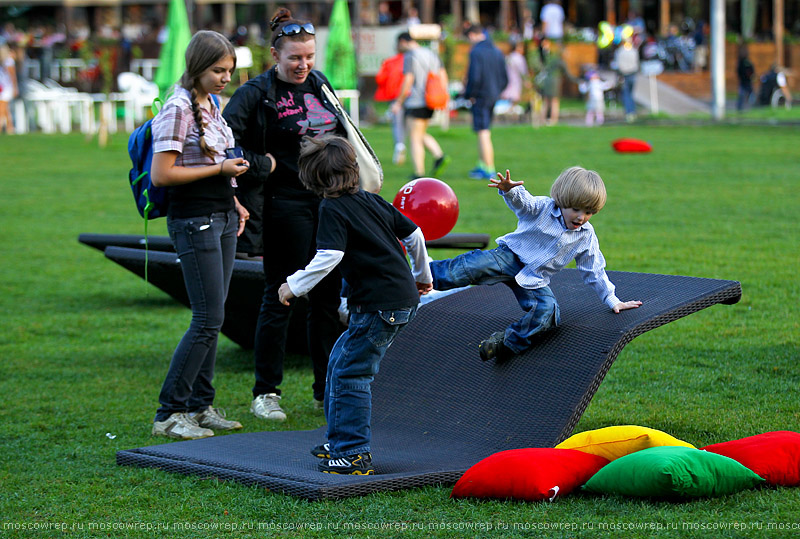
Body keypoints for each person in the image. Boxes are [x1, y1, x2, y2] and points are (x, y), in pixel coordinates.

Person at [279, 135, 433, 475]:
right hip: (397, 299)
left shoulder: (331, 207)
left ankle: (352, 454)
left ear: (311, 179)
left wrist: (295, 284)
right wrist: (421, 275)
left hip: (380, 306)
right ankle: (339, 442)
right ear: (353, 170)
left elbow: (330, 256)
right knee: (339, 364)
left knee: (352, 374)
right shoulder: (371, 201)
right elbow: (416, 234)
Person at [223, 8, 347, 422]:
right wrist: (265, 166)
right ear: (275, 54)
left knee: (329, 299)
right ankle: (266, 392)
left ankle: (325, 389)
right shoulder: (256, 93)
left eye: (309, 57)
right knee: (281, 294)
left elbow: (344, 135)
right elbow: (224, 143)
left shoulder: (321, 84)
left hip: (329, 204)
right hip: (283, 206)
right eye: (295, 57)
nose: (303, 65)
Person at [429, 167, 642, 362]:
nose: (581, 217)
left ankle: (504, 343)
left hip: (533, 279)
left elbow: (594, 269)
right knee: (471, 267)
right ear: (562, 200)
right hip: (508, 257)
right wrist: (509, 191)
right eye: (576, 209)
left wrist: (611, 299)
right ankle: (422, 277)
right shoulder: (543, 208)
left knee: (548, 312)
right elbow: (524, 203)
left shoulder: (586, 236)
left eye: (589, 212)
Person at [149, 30, 250, 439]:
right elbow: (163, 173)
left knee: (216, 315)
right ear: (197, 67)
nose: (225, 77)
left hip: (222, 216)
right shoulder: (178, 108)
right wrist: (220, 171)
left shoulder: (212, 104)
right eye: (217, 70)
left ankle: (200, 405)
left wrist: (234, 200)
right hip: (194, 221)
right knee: (208, 318)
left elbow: (217, 158)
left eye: (229, 70)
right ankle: (169, 413)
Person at [391, 32, 449, 180]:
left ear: (403, 41)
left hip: (416, 101)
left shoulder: (411, 55)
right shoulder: (431, 54)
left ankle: (419, 172)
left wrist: (399, 101)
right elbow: (442, 75)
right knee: (421, 132)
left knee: (415, 137)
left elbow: (409, 79)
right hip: (431, 100)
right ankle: (439, 156)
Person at [463, 24, 508, 180]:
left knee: (483, 132)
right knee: (483, 130)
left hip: (480, 96)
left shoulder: (476, 52)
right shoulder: (497, 51)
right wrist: (497, 91)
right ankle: (482, 164)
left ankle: (489, 168)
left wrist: (469, 94)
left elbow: (474, 76)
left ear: (473, 35)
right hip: (493, 95)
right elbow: (505, 77)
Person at [374, 45, 406, 165]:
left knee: (397, 124)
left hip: (396, 97)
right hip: (411, 97)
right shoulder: (411, 60)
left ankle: (399, 146)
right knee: (412, 127)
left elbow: (380, 78)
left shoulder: (390, 62)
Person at [535, 38, 575, 126]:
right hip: (555, 81)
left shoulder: (550, 57)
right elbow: (568, 75)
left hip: (546, 81)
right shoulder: (559, 60)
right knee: (554, 102)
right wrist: (578, 80)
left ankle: (542, 119)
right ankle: (553, 120)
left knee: (546, 101)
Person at [614, 35, 639, 122]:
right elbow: (636, 63)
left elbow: (618, 65)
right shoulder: (634, 51)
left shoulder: (620, 52)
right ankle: (633, 111)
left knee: (626, 94)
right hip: (632, 74)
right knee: (630, 94)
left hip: (624, 75)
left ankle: (629, 112)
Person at [0, 42, 18, 134]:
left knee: (2, 108)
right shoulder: (4, 61)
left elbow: (12, 76)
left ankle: (6, 126)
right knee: (5, 108)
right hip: (3, 87)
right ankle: (10, 127)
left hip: (6, 87)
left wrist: (15, 87)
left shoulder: (8, 61)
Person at [736, 44, 755, 112]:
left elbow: (751, 71)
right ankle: (740, 109)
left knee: (748, 95)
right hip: (745, 82)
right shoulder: (743, 62)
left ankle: (751, 107)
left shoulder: (744, 62)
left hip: (746, 82)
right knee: (744, 95)